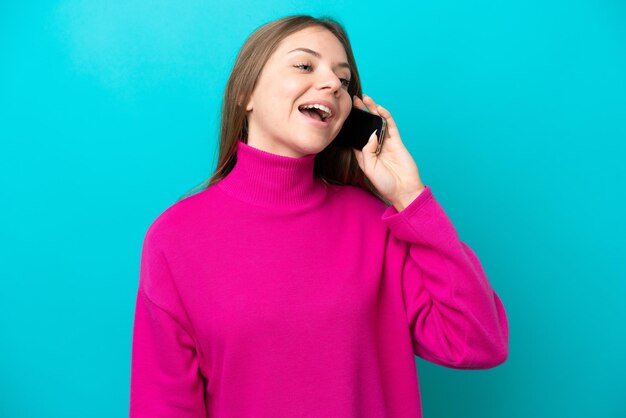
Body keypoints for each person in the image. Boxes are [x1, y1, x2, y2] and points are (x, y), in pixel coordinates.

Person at [129, 14, 509, 418]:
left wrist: (409, 197)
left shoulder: (374, 223)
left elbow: (479, 340)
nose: (331, 84)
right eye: (305, 65)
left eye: (343, 81)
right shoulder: (175, 238)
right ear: (247, 93)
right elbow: (164, 406)